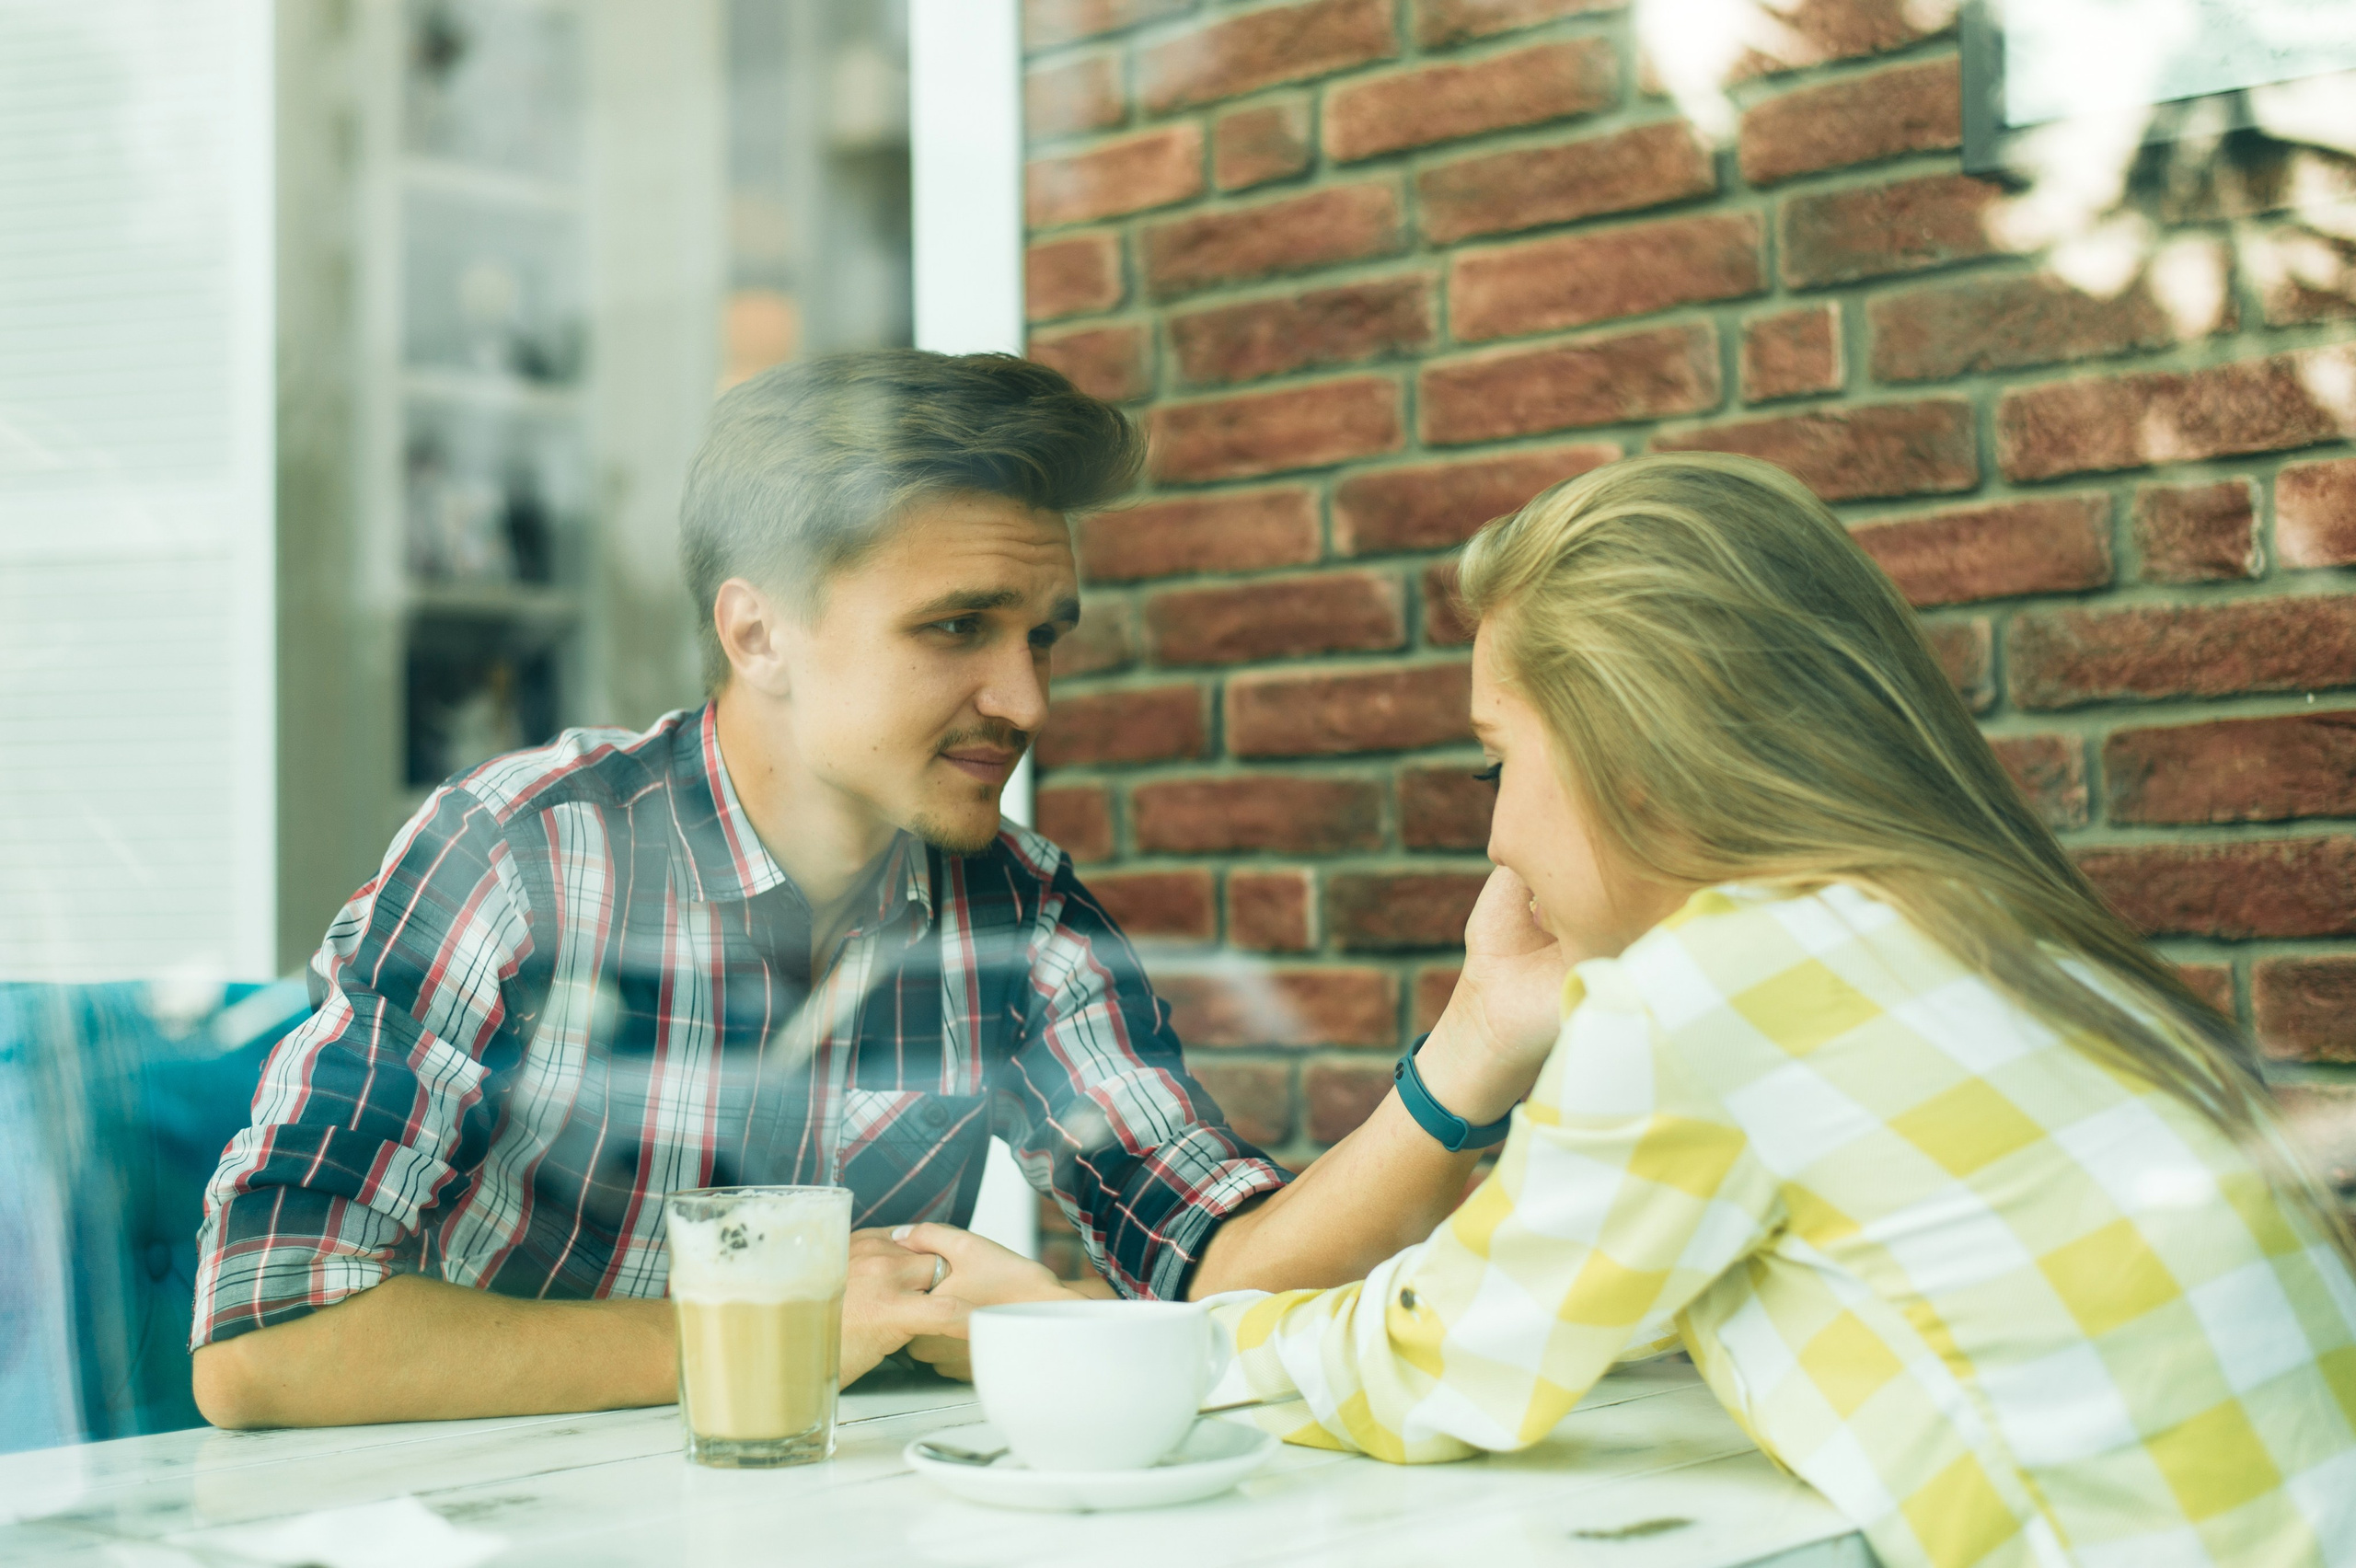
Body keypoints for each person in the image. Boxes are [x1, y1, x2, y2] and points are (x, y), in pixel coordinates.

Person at [911, 452, 2356, 1566]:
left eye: (1497, 768)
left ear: (1634, 758)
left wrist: (1086, 1339)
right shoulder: (1985, 928)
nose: (1495, 847)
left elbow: (1446, 1363)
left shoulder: (1717, 992)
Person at [187, 350, 1565, 1429]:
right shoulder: (525, 856)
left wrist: (1479, 1043)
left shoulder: (1016, 915)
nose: (1024, 698)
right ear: (759, 630)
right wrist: (772, 1334)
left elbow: (1216, 1274)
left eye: (1043, 637)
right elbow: (266, 1340)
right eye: (956, 629)